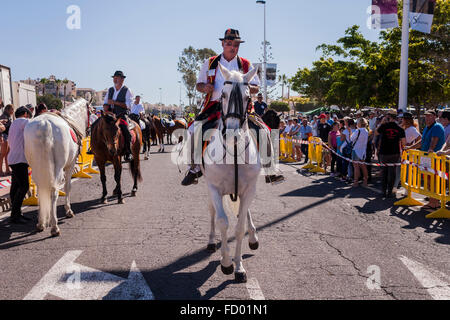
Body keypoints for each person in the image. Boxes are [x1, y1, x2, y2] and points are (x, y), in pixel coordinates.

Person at [181, 28, 284, 186]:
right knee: (193, 130)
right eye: (229, 43)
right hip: (214, 106)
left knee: (264, 130)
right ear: (223, 43)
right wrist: (205, 87)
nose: (233, 47)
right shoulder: (210, 62)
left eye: (236, 44)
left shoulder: (245, 64)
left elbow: (256, 87)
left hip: (241, 108)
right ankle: (194, 169)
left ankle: (270, 169)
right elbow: (199, 84)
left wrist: (247, 86)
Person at [407, 110, 445, 209]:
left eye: (429, 116)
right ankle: (433, 201)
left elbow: (434, 140)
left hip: (433, 158)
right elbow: (421, 141)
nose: (427, 118)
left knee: (433, 180)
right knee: (427, 180)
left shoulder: (437, 127)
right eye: (426, 116)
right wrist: (410, 147)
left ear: (435, 117)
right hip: (426, 158)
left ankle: (434, 202)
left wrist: (431, 149)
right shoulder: (427, 128)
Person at [7, 106, 32, 224]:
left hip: (13, 159)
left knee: (15, 187)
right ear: (25, 114)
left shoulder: (14, 123)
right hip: (19, 160)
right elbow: (36, 124)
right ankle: (15, 215)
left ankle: (16, 213)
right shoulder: (23, 121)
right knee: (24, 186)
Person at [102, 70, 134, 162]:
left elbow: (128, 105)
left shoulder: (127, 90)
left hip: (121, 115)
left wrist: (114, 102)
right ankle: (94, 148)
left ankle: (128, 152)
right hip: (110, 115)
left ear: (122, 79)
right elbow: (105, 102)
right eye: (114, 78)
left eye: (117, 78)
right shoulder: (110, 90)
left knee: (126, 130)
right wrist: (105, 107)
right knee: (97, 125)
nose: (115, 79)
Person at [375, 110, 406, 198]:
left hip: (384, 153)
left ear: (388, 116)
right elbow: (404, 142)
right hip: (394, 153)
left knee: (384, 172)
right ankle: (390, 192)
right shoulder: (400, 128)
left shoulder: (383, 126)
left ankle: (383, 191)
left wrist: (381, 122)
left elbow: (376, 132)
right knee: (392, 172)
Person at [351, 118, 369, 187]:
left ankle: (356, 182)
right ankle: (365, 181)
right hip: (363, 151)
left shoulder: (357, 131)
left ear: (359, 123)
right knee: (363, 166)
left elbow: (351, 139)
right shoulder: (366, 131)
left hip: (356, 150)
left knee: (356, 167)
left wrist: (350, 133)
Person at [0, 104, 14, 176]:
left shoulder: (8, 117)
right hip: (4, 136)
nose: (13, 111)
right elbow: (0, 128)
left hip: (7, 136)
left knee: (7, 155)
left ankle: (7, 170)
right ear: (8, 109)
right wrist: (1, 137)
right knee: (2, 155)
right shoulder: (3, 116)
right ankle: (0, 171)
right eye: (12, 109)